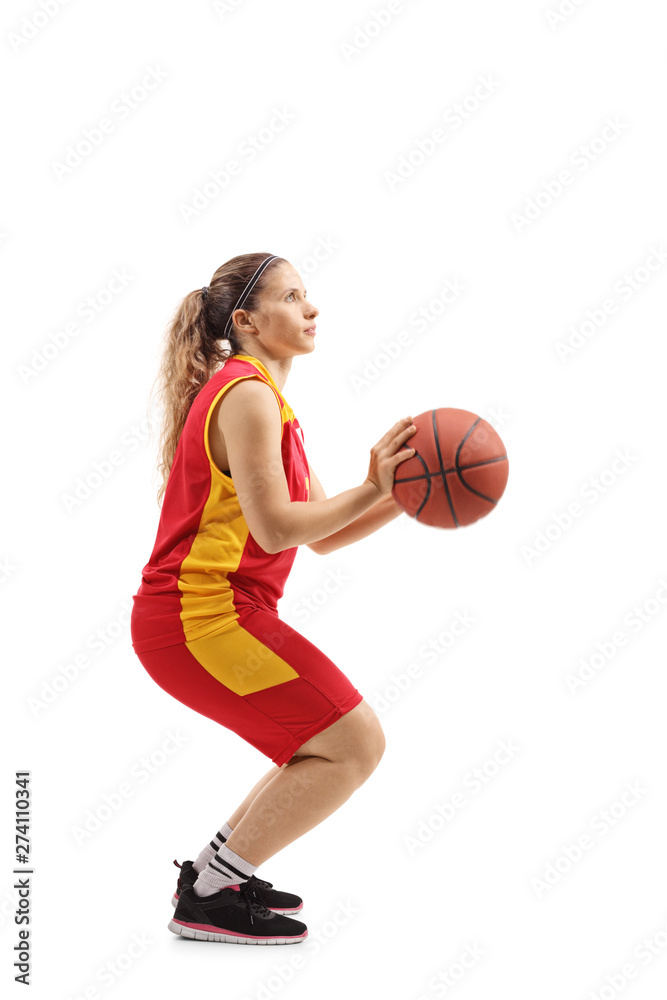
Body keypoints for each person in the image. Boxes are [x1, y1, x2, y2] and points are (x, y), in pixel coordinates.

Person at [130, 251, 417, 945]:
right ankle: (209, 895)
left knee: (327, 744)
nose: (311, 308)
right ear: (248, 321)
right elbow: (277, 526)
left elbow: (321, 535)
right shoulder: (247, 395)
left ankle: (212, 877)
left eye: (306, 295)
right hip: (199, 617)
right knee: (353, 743)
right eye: (293, 297)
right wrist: (375, 485)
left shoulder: (265, 397)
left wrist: (409, 496)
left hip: (214, 617)